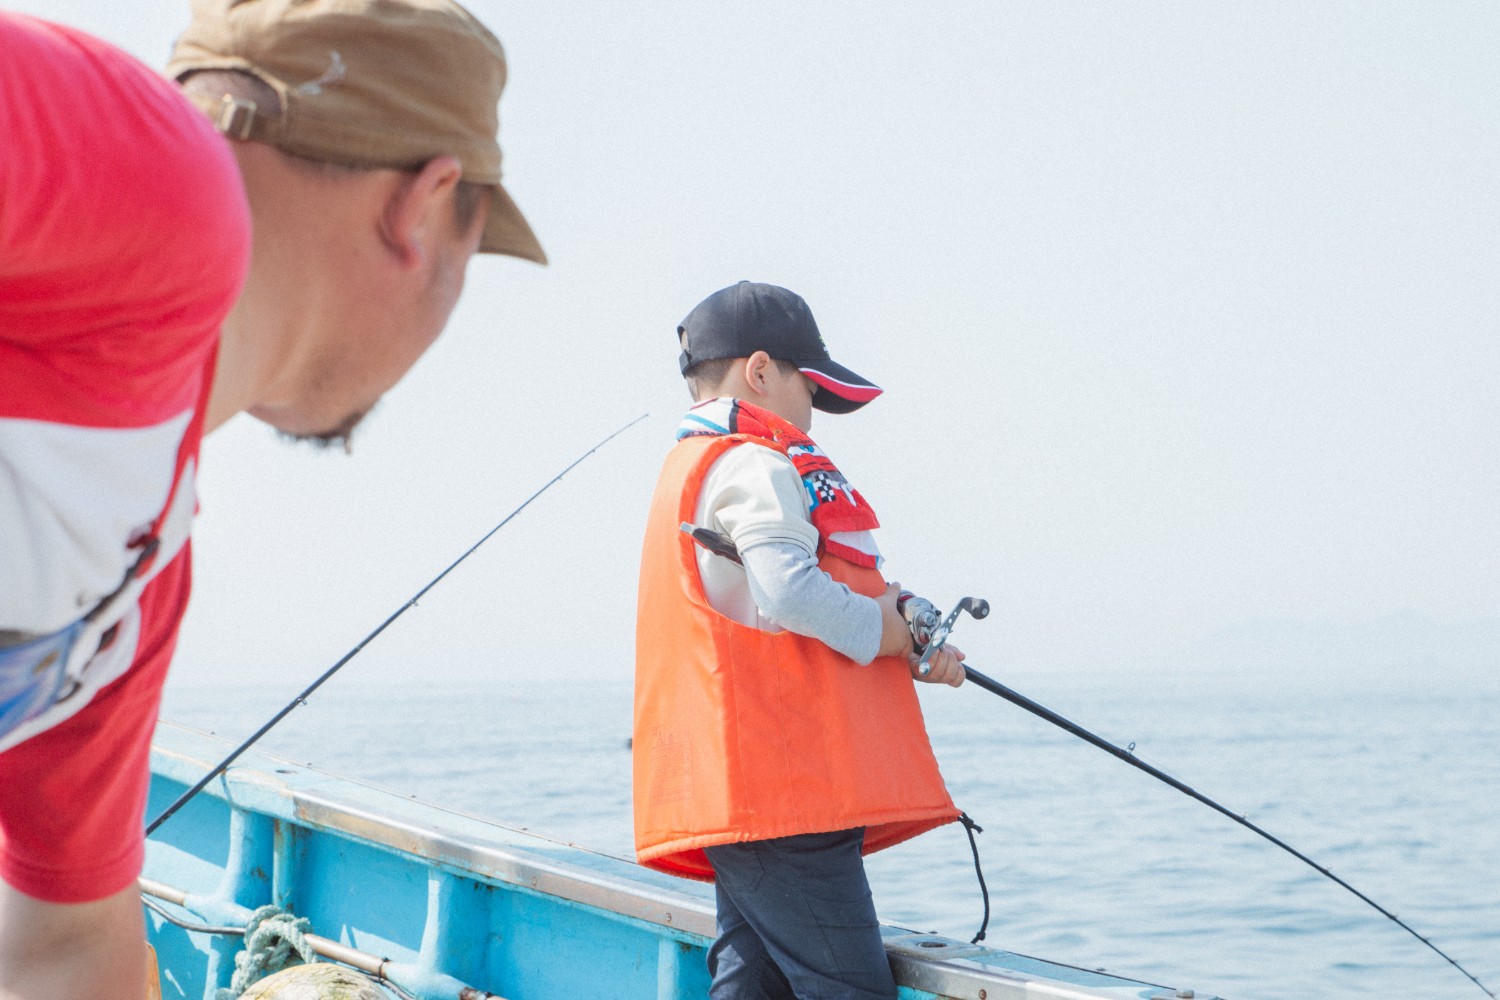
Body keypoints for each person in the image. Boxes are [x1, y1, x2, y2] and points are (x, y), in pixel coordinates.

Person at [0, 1, 543, 995]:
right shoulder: (161, 180)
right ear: (424, 209)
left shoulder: (124, 593)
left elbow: (65, 950)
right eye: (472, 255)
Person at [633, 281, 967, 999]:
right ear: (760, 371)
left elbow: (775, 606)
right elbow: (788, 589)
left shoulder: (695, 463)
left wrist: (904, 624)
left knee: (751, 983)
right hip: (786, 790)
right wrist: (889, 635)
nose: (813, 411)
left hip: (747, 790)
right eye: (809, 387)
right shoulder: (755, 460)